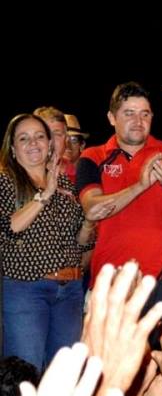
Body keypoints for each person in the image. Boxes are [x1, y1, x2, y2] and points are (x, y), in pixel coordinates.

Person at [76, 81, 162, 327]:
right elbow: (93, 209)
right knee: (108, 363)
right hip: (110, 278)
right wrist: (141, 185)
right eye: (129, 113)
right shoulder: (93, 157)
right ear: (111, 117)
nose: (138, 120)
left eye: (145, 113)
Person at [0, 114, 111, 370]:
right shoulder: (6, 181)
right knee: (25, 374)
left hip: (69, 291)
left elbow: (80, 244)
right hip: (27, 289)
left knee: (63, 376)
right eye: (23, 138)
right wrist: (44, 195)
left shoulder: (64, 183)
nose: (33, 143)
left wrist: (89, 223)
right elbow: (9, 227)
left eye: (40, 136)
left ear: (50, 144)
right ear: (13, 148)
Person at [63, 114, 89, 185]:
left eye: (73, 140)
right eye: (63, 139)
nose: (67, 145)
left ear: (82, 145)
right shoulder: (48, 175)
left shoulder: (89, 175)